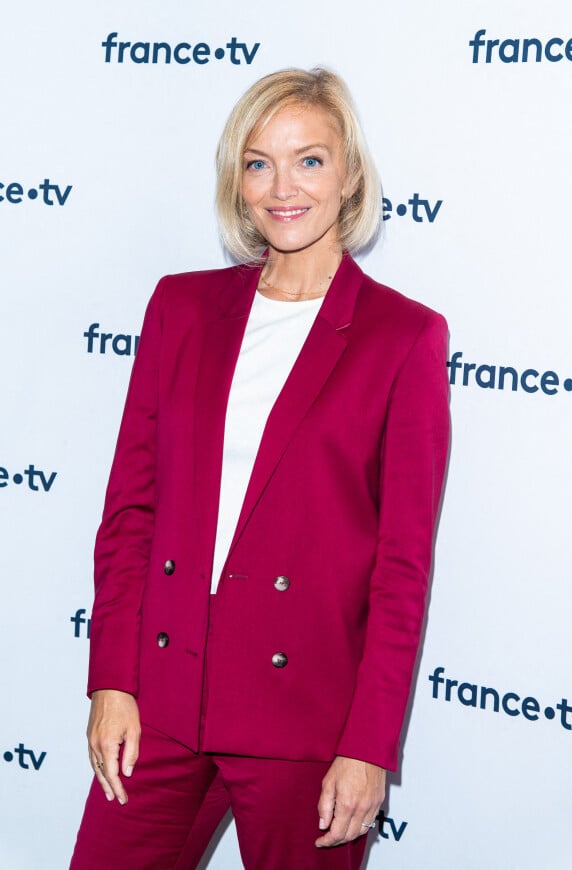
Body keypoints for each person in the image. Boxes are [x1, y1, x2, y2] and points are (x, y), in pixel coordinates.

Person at [70, 67, 450, 870]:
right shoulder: (179, 307)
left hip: (304, 723)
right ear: (236, 180)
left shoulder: (401, 336)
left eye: (309, 160)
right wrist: (113, 680)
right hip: (163, 699)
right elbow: (131, 512)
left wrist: (369, 746)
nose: (284, 187)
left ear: (349, 175)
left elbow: (401, 567)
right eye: (258, 162)